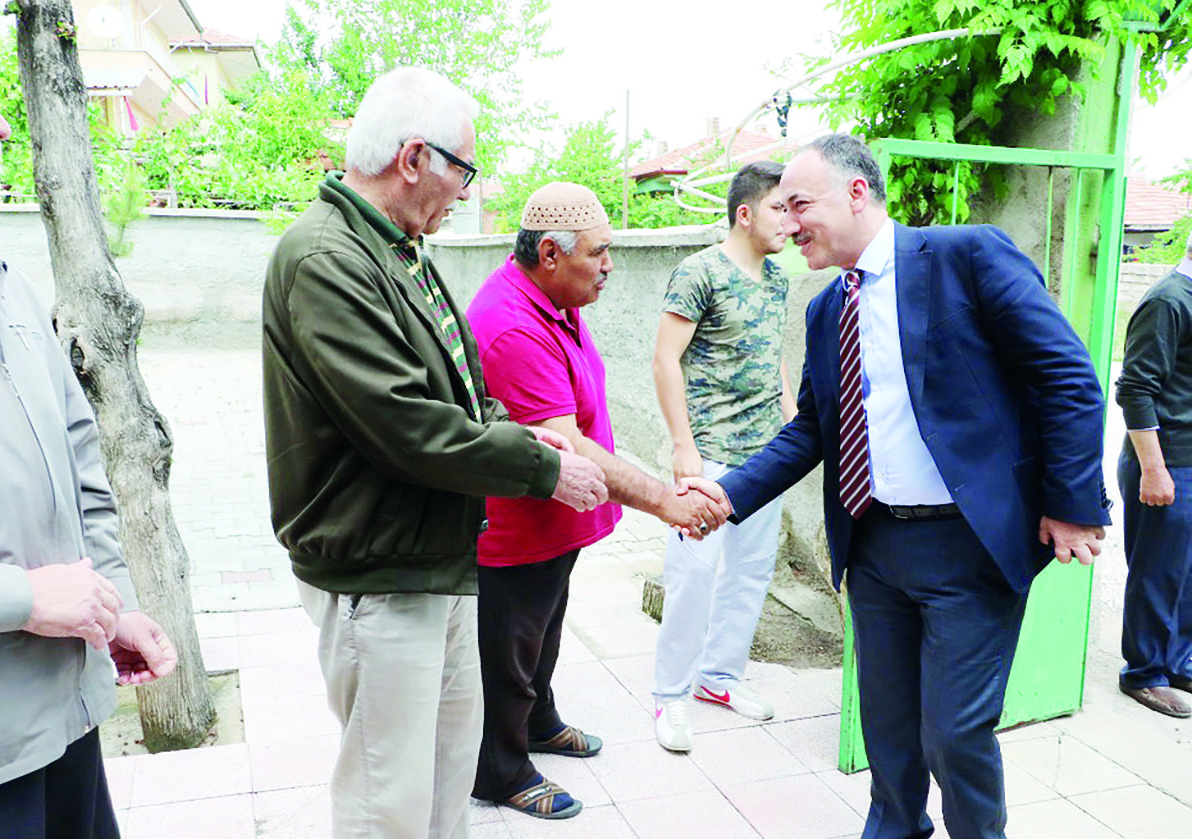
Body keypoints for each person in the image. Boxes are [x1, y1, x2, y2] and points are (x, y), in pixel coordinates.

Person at [712, 134, 1110, 839]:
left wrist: (1071, 504)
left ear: (857, 192)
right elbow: (812, 430)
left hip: (969, 546)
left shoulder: (967, 257)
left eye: (799, 203)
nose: (788, 221)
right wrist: (726, 495)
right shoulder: (825, 309)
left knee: (954, 735)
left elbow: (1068, 376)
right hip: (875, 550)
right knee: (889, 733)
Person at [261, 70, 609, 839]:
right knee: (388, 801)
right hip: (379, 574)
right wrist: (546, 466)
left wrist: (522, 434)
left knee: (447, 777)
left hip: (436, 561)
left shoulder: (400, 249)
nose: (464, 191)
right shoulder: (327, 258)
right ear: (415, 157)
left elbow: (465, 388)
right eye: (464, 170)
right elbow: (406, 423)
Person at [0, 20, 177, 837]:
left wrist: (116, 607)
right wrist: (25, 597)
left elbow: (81, 468)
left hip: (64, 727)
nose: (0, 123)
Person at [465, 182, 726, 819]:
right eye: (600, 253)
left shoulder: (556, 298)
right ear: (550, 254)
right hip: (516, 529)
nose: (610, 264)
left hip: (555, 525)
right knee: (509, 648)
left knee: (543, 633)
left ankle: (538, 721)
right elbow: (569, 448)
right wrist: (665, 501)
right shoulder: (510, 326)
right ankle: (498, 768)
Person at [651, 160, 798, 752]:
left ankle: (720, 679)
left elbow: (773, 357)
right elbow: (665, 360)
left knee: (750, 571)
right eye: (780, 208)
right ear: (745, 213)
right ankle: (669, 697)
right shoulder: (700, 272)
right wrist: (683, 447)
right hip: (708, 453)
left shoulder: (779, 279)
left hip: (765, 457)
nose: (791, 220)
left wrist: (794, 423)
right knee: (691, 575)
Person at [1114, 227, 1192, 718]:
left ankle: (1178, 661)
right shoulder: (1169, 301)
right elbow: (1135, 389)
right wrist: (1154, 471)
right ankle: (1143, 673)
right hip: (1167, 463)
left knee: (1185, 574)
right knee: (1157, 573)